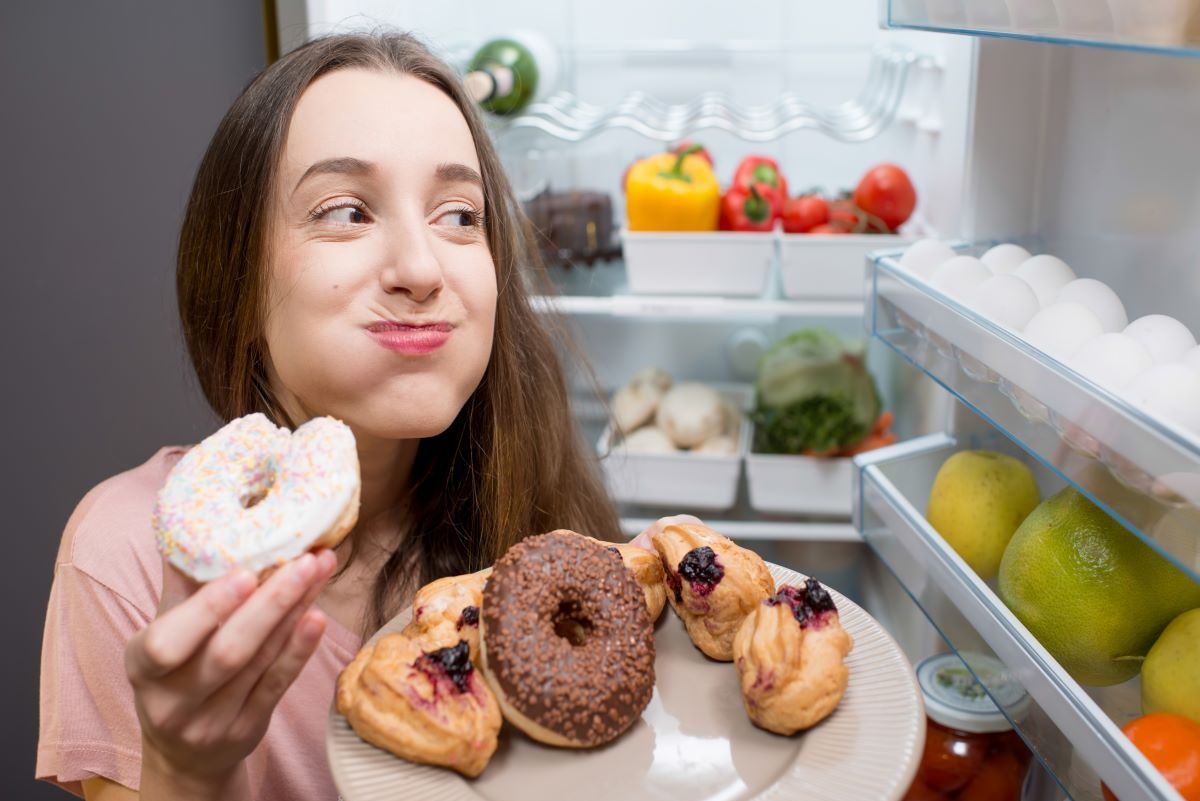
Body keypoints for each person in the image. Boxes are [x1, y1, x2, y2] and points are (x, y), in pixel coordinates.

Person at [36, 31, 644, 800]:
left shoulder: (535, 505)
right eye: (347, 211)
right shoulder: (131, 558)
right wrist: (188, 769)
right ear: (240, 280)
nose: (422, 269)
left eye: (459, 215)